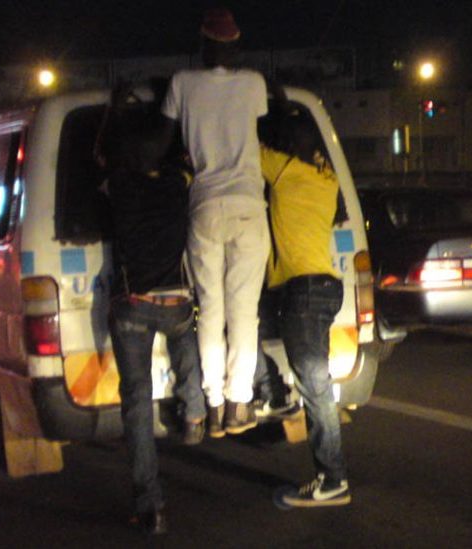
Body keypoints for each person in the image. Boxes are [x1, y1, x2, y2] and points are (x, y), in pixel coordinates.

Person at [159, 7, 270, 437]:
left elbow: (166, 140)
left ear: (203, 46)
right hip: (247, 204)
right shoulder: (253, 84)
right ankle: (238, 405)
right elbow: (264, 122)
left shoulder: (182, 84)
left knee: (210, 310)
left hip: (203, 204)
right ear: (237, 46)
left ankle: (213, 400)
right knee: (244, 311)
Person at [102, 85, 207, 535]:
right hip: (176, 301)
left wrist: (112, 113)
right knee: (187, 336)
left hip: (134, 307)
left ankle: (151, 505)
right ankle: (195, 411)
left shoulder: (117, 186)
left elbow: (99, 157)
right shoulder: (176, 186)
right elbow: (183, 158)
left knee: (137, 402)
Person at [258, 107, 351, 507]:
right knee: (317, 384)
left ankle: (332, 481)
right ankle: (272, 391)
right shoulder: (326, 179)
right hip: (325, 288)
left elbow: (246, 148)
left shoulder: (284, 170)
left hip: (305, 291)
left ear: (290, 148)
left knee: (316, 389)